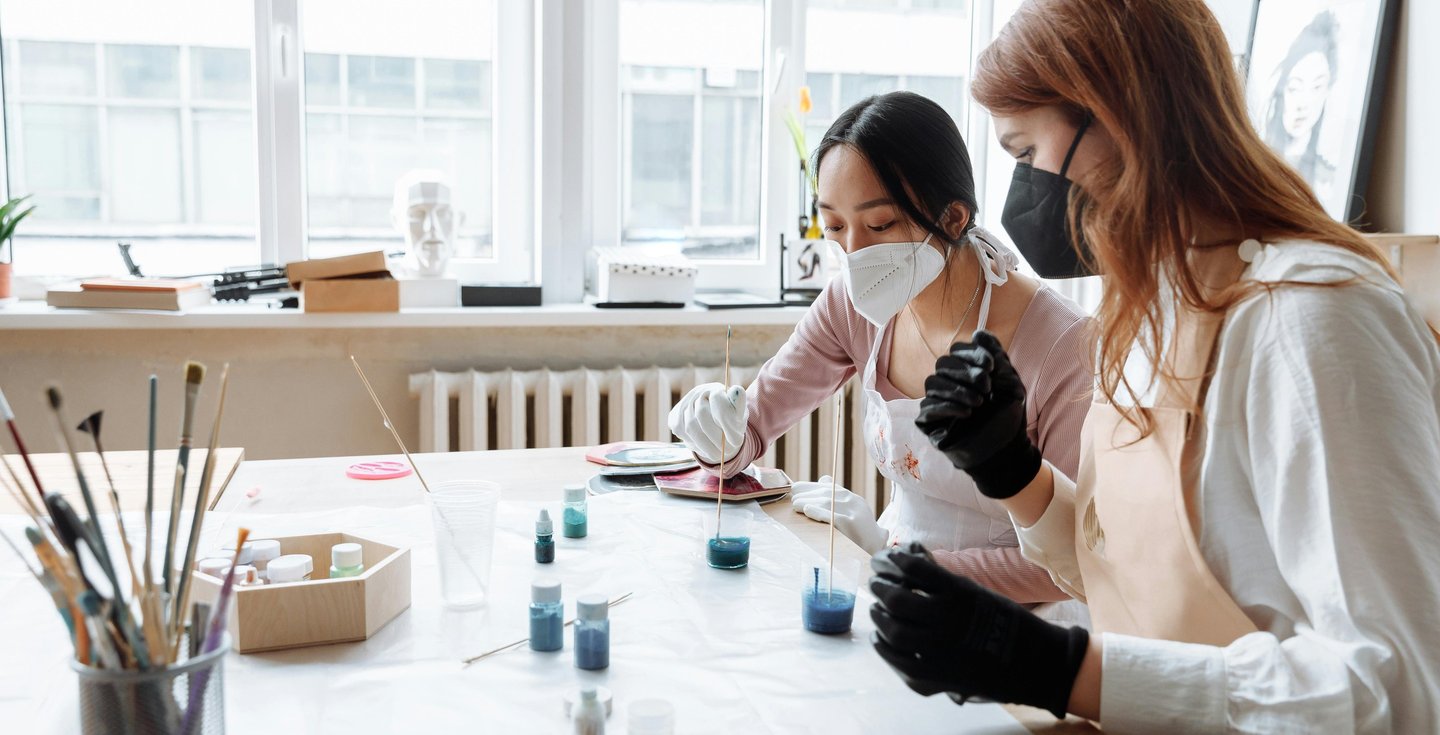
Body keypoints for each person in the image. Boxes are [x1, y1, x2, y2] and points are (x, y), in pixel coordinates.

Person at [866, 1, 1440, 732]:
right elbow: (1135, 576)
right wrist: (1013, 470)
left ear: (1115, 114)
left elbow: (1397, 687)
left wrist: (1056, 666)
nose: (1019, 199)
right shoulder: (1148, 310)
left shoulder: (1310, 322)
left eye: (1023, 155)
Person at [667, 91, 1093, 610]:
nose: (855, 254)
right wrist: (718, 435)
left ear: (954, 217)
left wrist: (897, 563)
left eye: (881, 225)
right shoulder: (853, 305)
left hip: (1021, 622)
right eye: (835, 227)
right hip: (894, 583)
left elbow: (1071, 564)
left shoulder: (1061, 347)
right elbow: (753, 425)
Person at [1263, 11, 1339, 201]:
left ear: (1327, 93)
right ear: (1283, 90)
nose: (1303, 104)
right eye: (1295, 87)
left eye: (1316, 87)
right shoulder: (1257, 169)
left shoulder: (1327, 181)